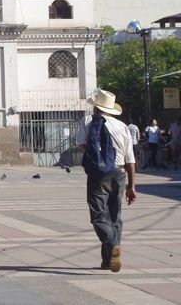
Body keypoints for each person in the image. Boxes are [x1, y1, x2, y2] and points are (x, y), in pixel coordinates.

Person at [76, 90, 136, 273]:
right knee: (114, 216)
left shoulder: (88, 121)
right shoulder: (122, 126)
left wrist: (98, 158)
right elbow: (130, 160)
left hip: (99, 175)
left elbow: (81, 144)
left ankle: (111, 245)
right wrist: (132, 186)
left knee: (98, 215)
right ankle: (108, 259)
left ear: (95, 106)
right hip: (119, 173)